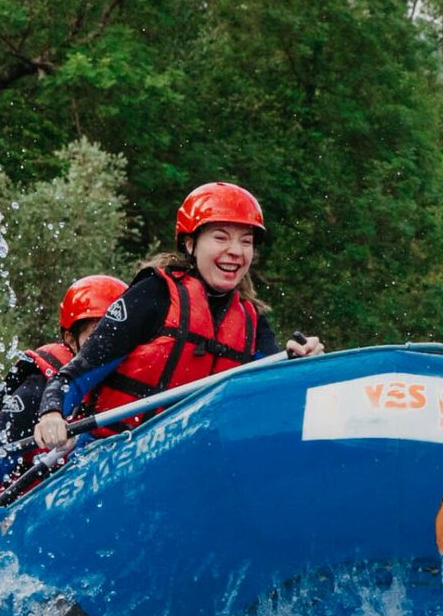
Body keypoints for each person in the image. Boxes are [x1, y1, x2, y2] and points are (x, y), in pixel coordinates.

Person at [35, 181, 323, 452]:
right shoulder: (154, 294)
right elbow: (76, 373)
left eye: (246, 242)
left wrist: (301, 365)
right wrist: (51, 412)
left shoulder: (251, 320)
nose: (235, 251)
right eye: (221, 237)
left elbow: (276, 389)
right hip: (113, 455)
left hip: (191, 457)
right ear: (190, 244)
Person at [0, 273, 128, 525]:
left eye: (116, 334)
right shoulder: (37, 389)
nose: (107, 345)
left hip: (66, 505)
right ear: (71, 340)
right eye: (97, 335)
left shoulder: (128, 385)